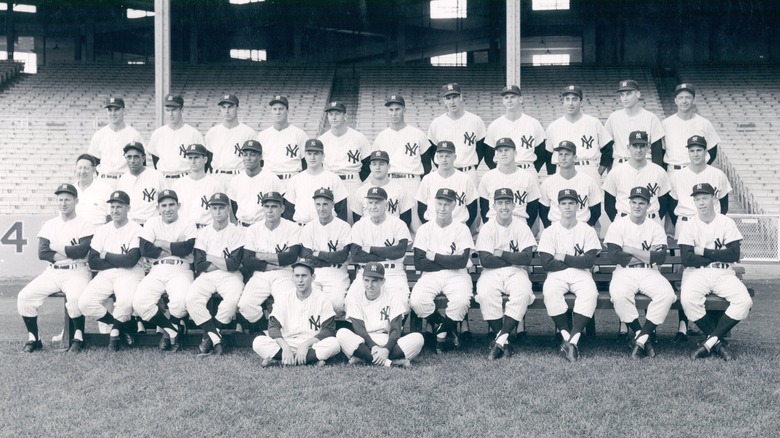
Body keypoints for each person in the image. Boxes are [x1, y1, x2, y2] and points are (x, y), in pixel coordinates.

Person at [17, 184, 95, 353]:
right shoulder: (50, 224)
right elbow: (43, 253)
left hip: (77, 271)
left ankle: (78, 337)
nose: (63, 203)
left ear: (76, 200)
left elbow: (82, 251)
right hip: (52, 272)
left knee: (74, 299)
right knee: (25, 296)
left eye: (67, 199)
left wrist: (57, 247)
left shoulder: (85, 224)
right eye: (60, 199)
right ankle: (34, 338)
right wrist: (69, 252)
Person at [680, 183, 752, 361]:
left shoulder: (726, 222)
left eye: (705, 198)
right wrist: (720, 255)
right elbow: (687, 259)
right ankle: (718, 343)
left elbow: (734, 254)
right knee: (688, 300)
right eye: (697, 199)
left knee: (744, 301)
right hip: (696, 273)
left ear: (714, 198)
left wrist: (703, 251)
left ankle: (709, 342)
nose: (701, 203)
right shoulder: (689, 225)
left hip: (723, 273)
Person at [605, 186, 676, 359]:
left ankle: (641, 338)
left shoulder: (655, 227)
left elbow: (660, 258)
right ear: (629, 203)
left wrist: (629, 250)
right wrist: (646, 255)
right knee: (619, 295)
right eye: (634, 202)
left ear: (648, 205)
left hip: (650, 272)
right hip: (624, 272)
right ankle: (642, 335)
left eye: (641, 203)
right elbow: (615, 256)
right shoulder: (618, 225)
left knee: (666, 295)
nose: (637, 206)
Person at [537, 189, 601, 362]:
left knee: (590, 294)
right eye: (563, 203)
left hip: (582, 274)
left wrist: (564, 257)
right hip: (556, 275)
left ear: (577, 206)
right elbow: (546, 263)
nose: (567, 207)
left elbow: (589, 262)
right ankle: (568, 338)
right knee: (550, 293)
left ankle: (572, 341)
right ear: (558, 207)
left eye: (571, 203)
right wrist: (577, 260)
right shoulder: (550, 231)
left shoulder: (587, 230)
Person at [409, 188, 475, 354]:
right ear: (434, 204)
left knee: (460, 301)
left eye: (447, 204)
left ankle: (441, 333)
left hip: (457, 275)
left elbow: (462, 261)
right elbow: (419, 263)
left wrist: (434, 256)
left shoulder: (461, 228)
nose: (442, 208)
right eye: (439, 203)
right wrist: (449, 261)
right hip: (430, 275)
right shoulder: (425, 229)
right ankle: (446, 329)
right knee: (417, 300)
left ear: (454, 205)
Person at [78, 190, 144, 351]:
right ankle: (121, 327)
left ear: (128, 208)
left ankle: (114, 332)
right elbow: (93, 261)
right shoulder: (103, 230)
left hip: (131, 273)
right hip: (106, 274)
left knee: (125, 303)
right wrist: (119, 261)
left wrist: (106, 255)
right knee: (85, 303)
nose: (115, 210)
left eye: (119, 207)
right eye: (112, 206)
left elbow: (131, 260)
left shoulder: (137, 229)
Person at [475, 188, 537, 360]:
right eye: (500, 203)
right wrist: (515, 258)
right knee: (486, 293)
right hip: (491, 272)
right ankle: (504, 340)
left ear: (514, 205)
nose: (504, 207)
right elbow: (485, 260)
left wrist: (501, 253)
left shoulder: (522, 227)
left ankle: (500, 340)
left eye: (508, 202)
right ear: (494, 206)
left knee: (523, 292)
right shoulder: (487, 228)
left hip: (517, 272)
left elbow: (527, 258)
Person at [131, 189, 196, 352]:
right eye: (164, 205)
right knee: (139, 303)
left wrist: (161, 243)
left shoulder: (187, 222)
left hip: (180, 270)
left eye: (172, 204)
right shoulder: (152, 223)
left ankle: (171, 329)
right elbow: (145, 249)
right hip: (157, 270)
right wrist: (175, 247)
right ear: (158, 207)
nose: (168, 209)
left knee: (181, 303)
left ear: (178, 206)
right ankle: (171, 329)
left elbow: (187, 248)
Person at [185, 193, 245, 356]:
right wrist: (222, 261)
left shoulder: (237, 232)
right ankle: (216, 338)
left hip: (231, 277)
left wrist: (210, 257)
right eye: (214, 208)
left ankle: (209, 336)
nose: (218, 212)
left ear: (228, 209)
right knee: (191, 299)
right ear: (210, 210)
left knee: (231, 302)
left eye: (221, 208)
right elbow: (199, 265)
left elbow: (233, 265)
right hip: (207, 276)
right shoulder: (203, 233)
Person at [252, 261, 341, 367]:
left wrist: (305, 345)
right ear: (292, 277)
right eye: (297, 276)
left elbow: (328, 330)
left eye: (304, 276)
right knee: (258, 342)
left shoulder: (323, 298)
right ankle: (310, 360)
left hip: (312, 343)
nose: (300, 280)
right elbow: (273, 328)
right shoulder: (284, 298)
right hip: (288, 342)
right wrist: (285, 347)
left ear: (313, 277)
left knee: (334, 343)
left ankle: (280, 360)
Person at [237, 192, 301, 335]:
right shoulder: (253, 229)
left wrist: (259, 256)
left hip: (284, 273)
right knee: (245, 305)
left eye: (274, 206)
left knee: (286, 303)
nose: (270, 210)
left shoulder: (293, 228)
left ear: (282, 209)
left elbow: (291, 257)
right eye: (266, 206)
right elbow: (247, 260)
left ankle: (286, 334)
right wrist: (272, 262)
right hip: (260, 274)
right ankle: (263, 330)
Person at [337, 262, 424, 368]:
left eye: (374, 281)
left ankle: (365, 358)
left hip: (387, 339)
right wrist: (373, 347)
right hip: (364, 341)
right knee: (341, 334)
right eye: (366, 280)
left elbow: (396, 329)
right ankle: (391, 363)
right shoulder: (355, 298)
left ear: (383, 281)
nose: (370, 285)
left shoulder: (392, 296)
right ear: (362, 279)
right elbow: (359, 329)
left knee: (418, 338)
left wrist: (386, 349)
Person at [348, 186, 412, 313]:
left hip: (393, 273)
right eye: (370, 203)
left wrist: (369, 249)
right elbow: (356, 256)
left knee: (402, 302)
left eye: (377, 202)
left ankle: (395, 332)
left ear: (386, 204)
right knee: (350, 300)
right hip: (366, 274)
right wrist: (388, 253)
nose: (373, 206)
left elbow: (399, 252)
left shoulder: (398, 224)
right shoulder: (359, 226)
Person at [371, 95, 431, 229]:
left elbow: (427, 163)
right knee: (391, 222)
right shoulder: (381, 137)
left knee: (416, 223)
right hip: (390, 181)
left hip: (412, 181)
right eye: (391, 110)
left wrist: (417, 178)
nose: (394, 113)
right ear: (387, 112)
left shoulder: (417, 134)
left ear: (404, 110)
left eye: (397, 109)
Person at [298, 188, 352, 317]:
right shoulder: (309, 227)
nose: (321, 208)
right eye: (318, 204)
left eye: (325, 204)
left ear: (332, 204)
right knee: (308, 303)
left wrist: (318, 254)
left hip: (337, 272)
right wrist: (329, 257)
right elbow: (306, 256)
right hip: (315, 273)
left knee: (336, 304)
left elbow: (341, 257)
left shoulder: (343, 226)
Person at [546, 85, 612, 183]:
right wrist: (553, 176)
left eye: (574, 99)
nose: (570, 103)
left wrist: (598, 172)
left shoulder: (594, 123)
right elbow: (548, 154)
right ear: (563, 102)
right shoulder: (553, 127)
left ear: (581, 102)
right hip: (562, 172)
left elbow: (608, 149)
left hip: (588, 168)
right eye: (567, 99)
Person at [427, 83, 489, 187]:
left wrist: (470, 165)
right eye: (448, 98)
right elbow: (432, 149)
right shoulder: (437, 123)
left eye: (454, 97)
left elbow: (481, 148)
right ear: (444, 101)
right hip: (444, 174)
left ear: (461, 97)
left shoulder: (475, 121)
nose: (452, 102)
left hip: (468, 172)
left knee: (470, 203)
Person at [603, 131, 671, 224]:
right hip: (624, 220)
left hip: (651, 221)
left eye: (642, 146)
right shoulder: (616, 172)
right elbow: (609, 204)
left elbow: (664, 202)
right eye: (635, 146)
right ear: (628, 147)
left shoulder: (659, 172)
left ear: (648, 147)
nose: (638, 150)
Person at [319, 101, 371, 222]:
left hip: (352, 182)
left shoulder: (358, 137)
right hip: (330, 182)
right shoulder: (322, 140)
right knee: (331, 219)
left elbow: (368, 164)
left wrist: (356, 177)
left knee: (355, 218)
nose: (334, 117)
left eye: (337, 113)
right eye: (331, 114)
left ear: (345, 116)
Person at [669, 135, 732, 229]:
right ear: (688, 152)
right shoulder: (676, 176)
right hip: (685, 222)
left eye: (699, 150)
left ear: (706, 152)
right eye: (692, 151)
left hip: (711, 224)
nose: (695, 154)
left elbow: (724, 205)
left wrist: (715, 222)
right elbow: (671, 205)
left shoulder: (718, 175)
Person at [477, 137, 541, 228]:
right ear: (496, 154)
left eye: (507, 150)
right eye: (500, 151)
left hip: (520, 223)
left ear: (515, 153)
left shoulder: (528, 177)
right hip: (494, 223)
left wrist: (525, 227)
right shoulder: (488, 177)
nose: (503, 154)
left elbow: (533, 208)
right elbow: (483, 207)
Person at [484, 85, 548, 172]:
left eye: (513, 97)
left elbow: (541, 153)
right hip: (503, 170)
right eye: (506, 97)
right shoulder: (495, 125)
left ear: (520, 99)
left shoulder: (533, 123)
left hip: (527, 169)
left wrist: (532, 170)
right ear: (503, 101)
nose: (509, 100)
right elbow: (488, 156)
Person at [539, 141, 602, 228]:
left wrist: (587, 227)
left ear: (575, 158)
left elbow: (596, 210)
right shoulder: (548, 182)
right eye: (560, 154)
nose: (563, 158)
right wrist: (550, 228)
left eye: (567, 154)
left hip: (582, 227)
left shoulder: (588, 181)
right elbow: (543, 210)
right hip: (556, 228)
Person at [660, 83, 720, 175]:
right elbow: (661, 151)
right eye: (680, 98)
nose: (684, 101)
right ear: (675, 100)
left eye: (688, 97)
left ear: (694, 100)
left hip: (697, 172)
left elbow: (712, 151)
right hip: (673, 171)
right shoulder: (666, 124)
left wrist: (700, 168)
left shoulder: (704, 123)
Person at [603, 80, 665, 170]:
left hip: (644, 165)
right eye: (622, 95)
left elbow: (657, 150)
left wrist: (656, 172)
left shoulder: (651, 117)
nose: (625, 98)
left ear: (638, 94)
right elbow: (607, 147)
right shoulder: (614, 117)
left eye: (628, 93)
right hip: (620, 164)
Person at [416, 141, 478, 228]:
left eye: (447, 156)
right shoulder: (428, 179)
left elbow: (472, 208)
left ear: (454, 157)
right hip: (433, 226)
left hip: (458, 226)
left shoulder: (465, 179)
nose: (444, 159)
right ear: (437, 157)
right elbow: (421, 207)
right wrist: (429, 226)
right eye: (441, 156)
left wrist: (463, 227)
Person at [147, 94, 205, 187]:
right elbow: (155, 159)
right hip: (163, 179)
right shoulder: (157, 134)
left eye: (174, 110)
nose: (170, 114)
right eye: (167, 110)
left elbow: (203, 160)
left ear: (181, 110)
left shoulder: (193, 133)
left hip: (185, 179)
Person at [286, 139, 348, 224]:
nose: (312, 157)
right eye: (309, 154)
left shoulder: (333, 178)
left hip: (327, 227)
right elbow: (288, 211)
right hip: (301, 228)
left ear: (323, 156)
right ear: (305, 156)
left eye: (316, 154)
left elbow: (342, 211)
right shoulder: (295, 179)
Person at [87, 97, 144, 189]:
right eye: (110, 110)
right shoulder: (99, 134)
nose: (113, 113)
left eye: (116, 109)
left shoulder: (134, 134)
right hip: (104, 181)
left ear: (124, 110)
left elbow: (142, 162)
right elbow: (94, 161)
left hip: (126, 180)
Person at [226, 140, 286, 227]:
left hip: (263, 228)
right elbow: (233, 207)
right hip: (242, 227)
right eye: (245, 154)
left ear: (260, 157)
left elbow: (282, 206)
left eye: (252, 155)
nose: (248, 158)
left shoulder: (272, 178)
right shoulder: (236, 180)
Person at [255, 95, 308, 190]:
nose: (278, 112)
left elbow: (306, 162)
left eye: (281, 109)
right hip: (269, 180)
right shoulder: (262, 135)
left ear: (287, 111)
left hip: (292, 179)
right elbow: (260, 162)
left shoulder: (299, 134)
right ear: (271, 111)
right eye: (274, 109)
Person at [205, 94, 258, 186]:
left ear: (237, 108)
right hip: (217, 176)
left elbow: (256, 161)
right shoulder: (212, 132)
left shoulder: (249, 132)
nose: (227, 111)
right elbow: (208, 160)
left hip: (239, 176)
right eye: (223, 107)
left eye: (230, 107)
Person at [351, 150, 413, 227]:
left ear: (388, 166)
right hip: (368, 234)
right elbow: (357, 221)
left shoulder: (400, 190)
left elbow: (406, 220)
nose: (377, 167)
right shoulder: (361, 191)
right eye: (374, 164)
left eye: (381, 164)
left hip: (393, 234)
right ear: (370, 167)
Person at [172, 144, 224, 229]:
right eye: (190, 158)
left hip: (207, 229)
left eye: (196, 157)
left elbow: (223, 212)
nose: (193, 161)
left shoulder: (215, 184)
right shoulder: (178, 184)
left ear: (205, 159)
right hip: (184, 230)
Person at [117, 142, 166, 225]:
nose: (132, 161)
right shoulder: (123, 179)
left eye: (136, 157)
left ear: (143, 158)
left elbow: (165, 201)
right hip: (130, 225)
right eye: (129, 157)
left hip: (151, 224)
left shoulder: (157, 176)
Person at [74, 153, 112, 226]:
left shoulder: (105, 189)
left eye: (86, 168)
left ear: (94, 169)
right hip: (76, 233)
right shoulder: (71, 190)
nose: (82, 171)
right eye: (80, 168)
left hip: (98, 232)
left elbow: (111, 216)